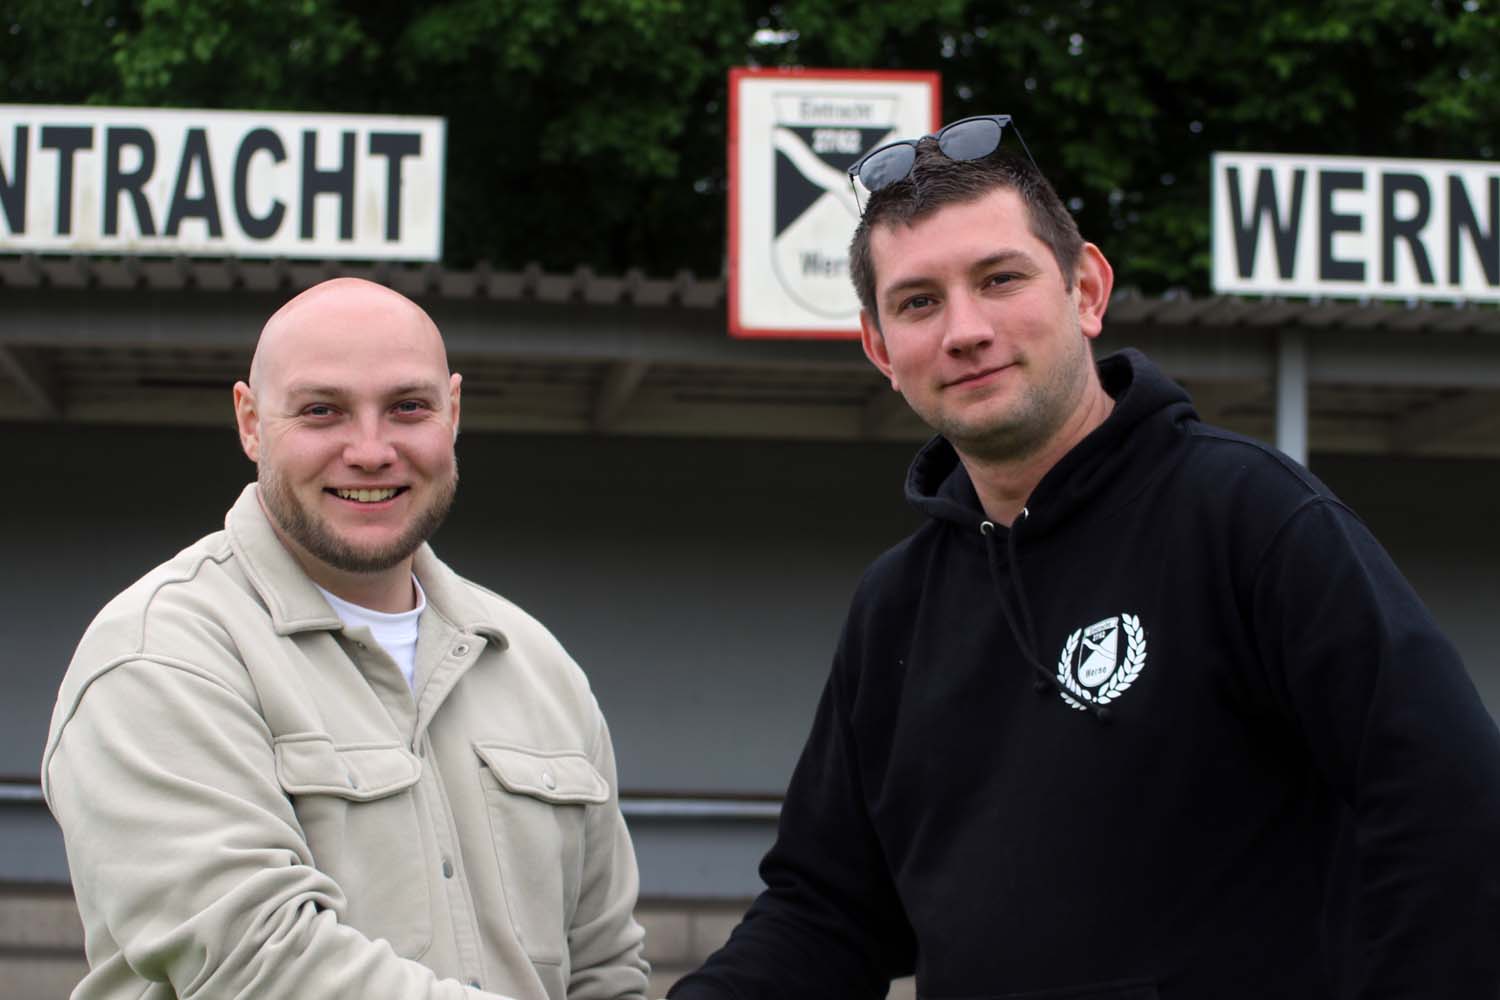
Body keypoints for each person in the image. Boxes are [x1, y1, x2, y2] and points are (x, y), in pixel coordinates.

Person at [669, 117, 1500, 998]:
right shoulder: (896, 608)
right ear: (880, 348)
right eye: (919, 302)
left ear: (1087, 290)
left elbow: (1452, 816)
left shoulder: (1251, 519)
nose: (965, 329)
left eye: (1000, 280)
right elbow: (826, 912)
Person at [42, 278, 649, 1000]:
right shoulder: (158, 655)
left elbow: (607, 970)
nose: (370, 450)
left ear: (453, 412)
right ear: (249, 421)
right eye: (322, 410)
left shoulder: (538, 666)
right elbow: (258, 965)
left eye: (408, 407)